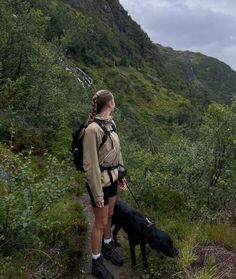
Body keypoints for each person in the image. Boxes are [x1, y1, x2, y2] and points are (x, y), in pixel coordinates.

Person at [82, 89, 128, 279]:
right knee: (100, 222)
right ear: (109, 103)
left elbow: (117, 151)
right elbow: (90, 164)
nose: (115, 103)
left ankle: (108, 246)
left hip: (112, 177)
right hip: (99, 182)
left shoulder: (111, 123)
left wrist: (121, 173)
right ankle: (96, 261)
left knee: (109, 214)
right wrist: (98, 194)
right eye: (114, 100)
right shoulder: (92, 129)